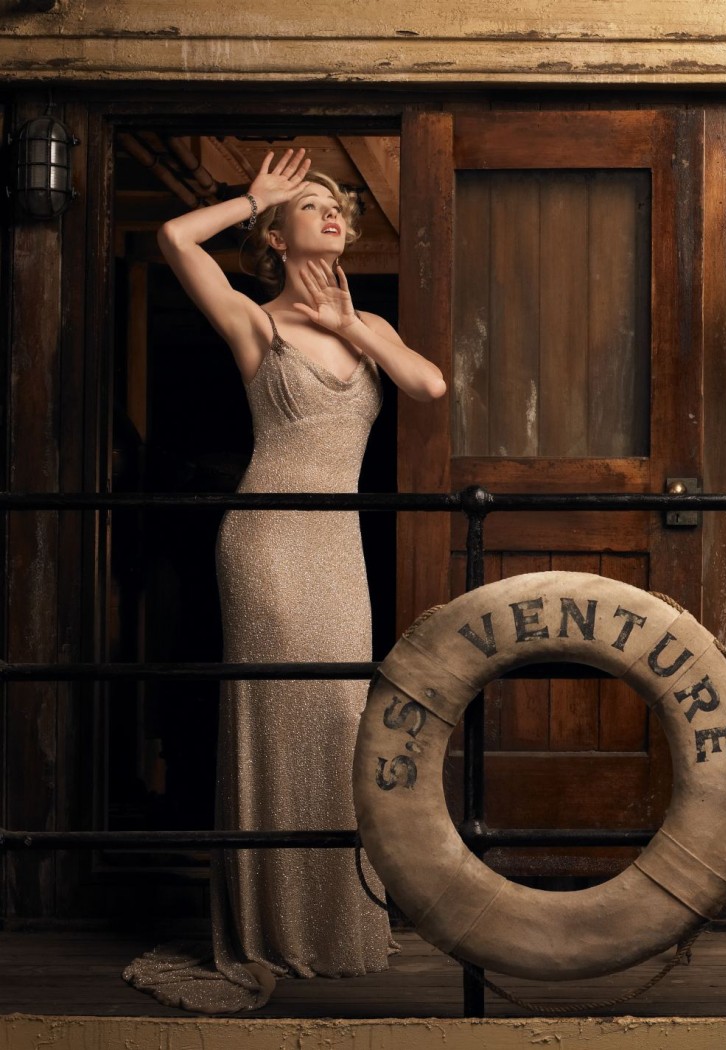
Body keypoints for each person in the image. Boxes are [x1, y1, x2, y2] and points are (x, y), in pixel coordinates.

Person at [124, 149, 447, 1013]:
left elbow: (428, 384)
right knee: (275, 716)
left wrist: (351, 328)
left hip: (338, 546)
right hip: (266, 540)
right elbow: (173, 237)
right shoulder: (253, 322)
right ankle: (269, 926)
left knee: (340, 716)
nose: (333, 213)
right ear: (276, 236)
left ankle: (335, 923)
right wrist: (252, 196)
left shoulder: (366, 323)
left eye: (338, 205)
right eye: (312, 205)